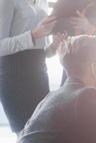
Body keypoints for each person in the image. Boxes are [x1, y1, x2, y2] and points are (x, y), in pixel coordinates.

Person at [0, 0, 64, 134]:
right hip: (14, 75)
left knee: (42, 132)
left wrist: (53, 47)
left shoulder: (43, 2)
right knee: (24, 134)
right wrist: (33, 34)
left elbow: (42, 51)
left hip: (39, 75)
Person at [50, 0, 96, 86]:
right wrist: (60, 42)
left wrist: (91, 29)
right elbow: (53, 27)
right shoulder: (68, 4)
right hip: (72, 70)